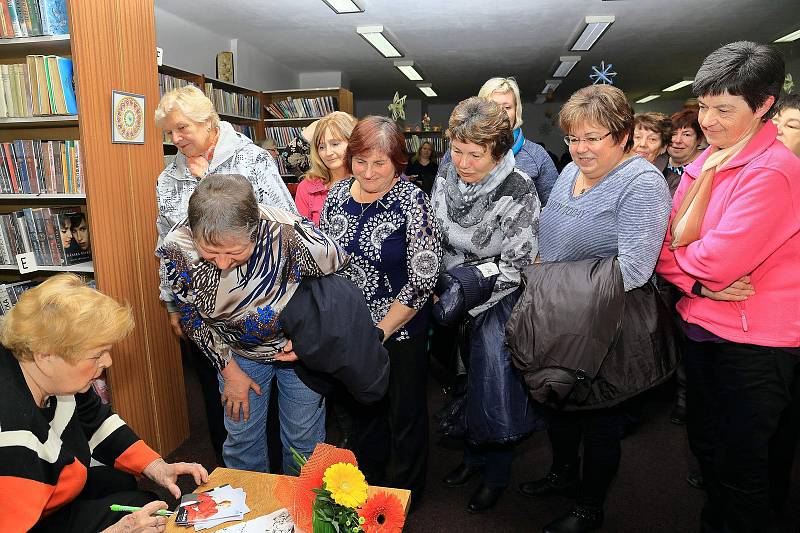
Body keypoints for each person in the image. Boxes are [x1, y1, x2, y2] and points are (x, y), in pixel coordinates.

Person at [656, 41, 800, 533]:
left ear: (764, 108)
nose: (709, 122)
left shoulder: (773, 171)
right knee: (709, 449)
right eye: (705, 107)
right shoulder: (707, 162)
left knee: (744, 469)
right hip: (703, 327)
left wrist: (693, 272)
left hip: (755, 344)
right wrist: (696, 282)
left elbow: (718, 262)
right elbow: (664, 249)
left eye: (725, 110)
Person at [519, 84, 671, 532]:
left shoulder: (642, 183)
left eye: (592, 137)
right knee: (559, 405)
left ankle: (589, 508)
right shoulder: (569, 173)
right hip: (560, 315)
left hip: (607, 323)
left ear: (623, 136)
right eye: (572, 138)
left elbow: (636, 268)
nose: (580, 149)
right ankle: (562, 475)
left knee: (600, 420)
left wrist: (554, 281)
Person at [157, 174, 348, 475]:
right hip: (235, 354)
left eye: (233, 253)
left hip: (297, 353)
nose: (221, 263)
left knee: (304, 443)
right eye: (210, 252)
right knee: (242, 439)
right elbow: (191, 315)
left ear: (255, 231)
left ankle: (300, 516)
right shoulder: (177, 246)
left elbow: (339, 283)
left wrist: (311, 336)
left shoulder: (289, 232)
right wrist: (229, 372)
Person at [0, 274, 208, 533]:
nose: (108, 362)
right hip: (23, 518)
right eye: (97, 354)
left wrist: (156, 467)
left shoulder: (51, 374)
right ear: (45, 356)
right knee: (144, 513)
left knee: (131, 492)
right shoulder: (11, 436)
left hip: (50, 490)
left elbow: (94, 418)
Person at [154, 85, 296, 465]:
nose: (176, 139)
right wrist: (171, 301)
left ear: (209, 122)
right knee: (227, 401)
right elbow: (165, 242)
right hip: (204, 309)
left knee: (276, 406)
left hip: (263, 305)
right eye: (169, 133)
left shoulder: (252, 161)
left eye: (182, 129)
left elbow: (287, 223)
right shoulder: (168, 178)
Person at [319, 115, 441, 507]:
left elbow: (423, 276)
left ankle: (405, 495)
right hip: (353, 330)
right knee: (361, 413)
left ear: (396, 162)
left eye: (380, 163)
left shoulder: (413, 201)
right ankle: (366, 490)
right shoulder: (337, 197)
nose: (368, 172)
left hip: (399, 329)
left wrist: (380, 331)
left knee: (404, 414)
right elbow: (326, 261)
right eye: (360, 161)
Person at [431, 97, 544, 513]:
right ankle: (470, 458)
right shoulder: (446, 176)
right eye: (456, 150)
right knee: (462, 385)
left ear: (498, 151)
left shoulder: (519, 189)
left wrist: (468, 285)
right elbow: (433, 232)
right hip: (451, 298)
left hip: (496, 301)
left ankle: (496, 475)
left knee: (494, 388)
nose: (462, 162)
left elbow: (518, 263)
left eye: (474, 154)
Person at [439, 77, 559, 205]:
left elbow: (553, 209)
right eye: (493, 106)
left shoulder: (536, 155)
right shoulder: (458, 153)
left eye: (507, 107)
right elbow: (439, 197)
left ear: (516, 111)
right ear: (477, 110)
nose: (500, 113)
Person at [295, 111, 357, 226]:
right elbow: (301, 237)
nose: (328, 153)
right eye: (322, 147)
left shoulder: (367, 182)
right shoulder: (306, 187)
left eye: (335, 144)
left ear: (352, 143)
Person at [664, 109, 705, 197]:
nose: (678, 140)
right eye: (673, 134)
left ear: (699, 139)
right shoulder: (657, 161)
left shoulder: (706, 167)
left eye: (686, 134)